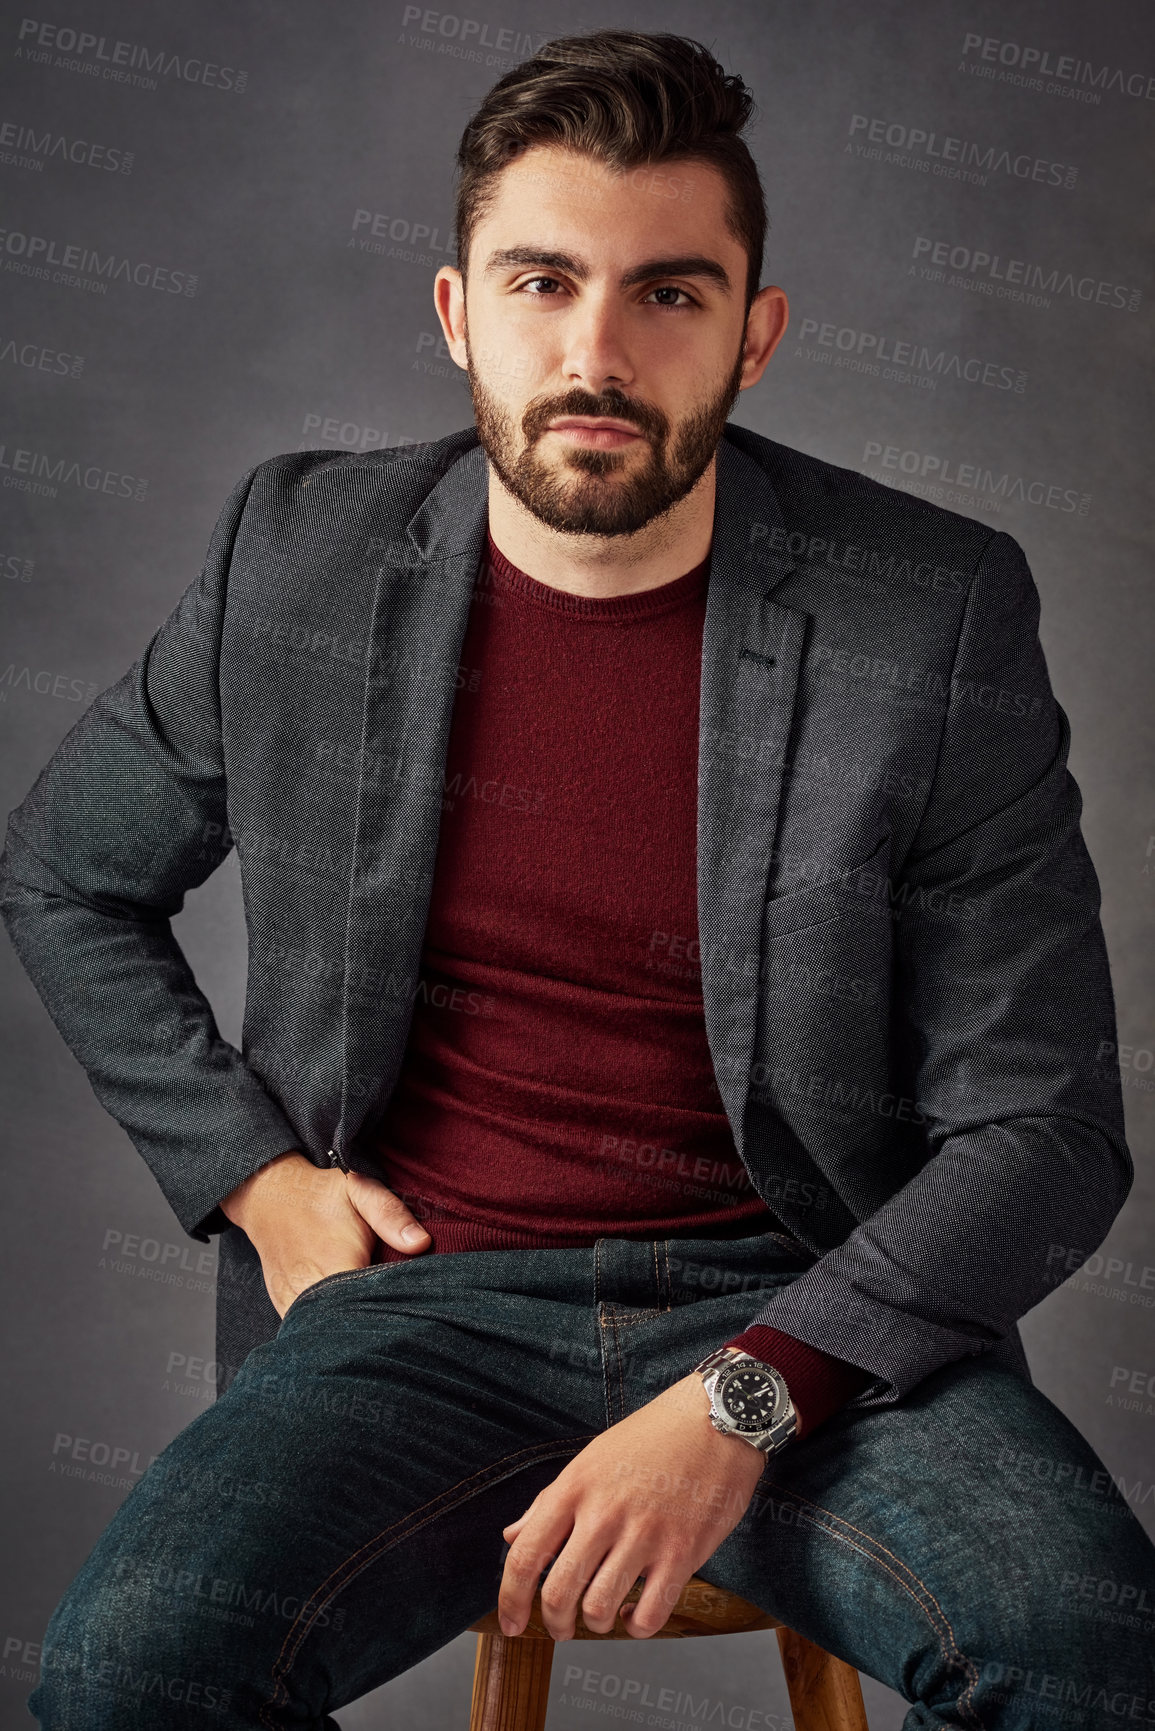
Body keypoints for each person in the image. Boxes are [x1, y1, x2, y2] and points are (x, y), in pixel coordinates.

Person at [3, 28, 1153, 1731]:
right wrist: (255, 1179)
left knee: (1092, 1662)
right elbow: (64, 873)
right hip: (417, 1314)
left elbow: (1046, 1132)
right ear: (461, 312)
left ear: (754, 336)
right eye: (543, 283)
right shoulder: (298, 557)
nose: (596, 352)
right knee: (126, 1681)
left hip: (808, 1309)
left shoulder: (930, 612)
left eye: (669, 296)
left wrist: (748, 1401)